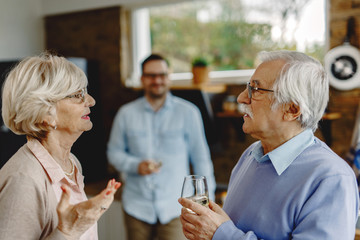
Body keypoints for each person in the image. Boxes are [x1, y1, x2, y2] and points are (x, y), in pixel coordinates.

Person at [178, 50, 360, 240]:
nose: (241, 98)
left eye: (255, 90)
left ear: (292, 109)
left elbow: (225, 234)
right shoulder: (250, 155)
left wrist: (220, 234)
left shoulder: (331, 178)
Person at [0, 52, 121, 240]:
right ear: (46, 114)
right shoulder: (23, 181)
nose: (91, 101)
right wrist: (67, 232)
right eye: (78, 94)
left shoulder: (72, 162)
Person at [107, 53, 216, 240]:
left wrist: (208, 203)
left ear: (169, 77)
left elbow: (201, 159)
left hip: (177, 208)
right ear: (142, 79)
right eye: (151, 76)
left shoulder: (189, 112)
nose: (157, 80)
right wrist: (136, 165)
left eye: (162, 75)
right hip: (137, 206)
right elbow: (113, 153)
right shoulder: (126, 113)